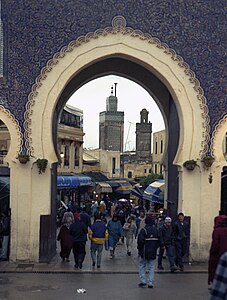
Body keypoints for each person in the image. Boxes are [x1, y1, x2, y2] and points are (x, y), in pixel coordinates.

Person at [137, 216, 160, 288]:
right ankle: (151, 282)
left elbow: (140, 242)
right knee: (152, 267)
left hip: (144, 251)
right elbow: (159, 241)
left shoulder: (143, 230)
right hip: (153, 251)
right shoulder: (156, 230)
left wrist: (139, 250)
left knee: (142, 266)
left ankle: (143, 281)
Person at [208, 215, 227, 285]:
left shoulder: (217, 231)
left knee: (216, 269)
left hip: (218, 254)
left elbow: (215, 243)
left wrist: (212, 252)